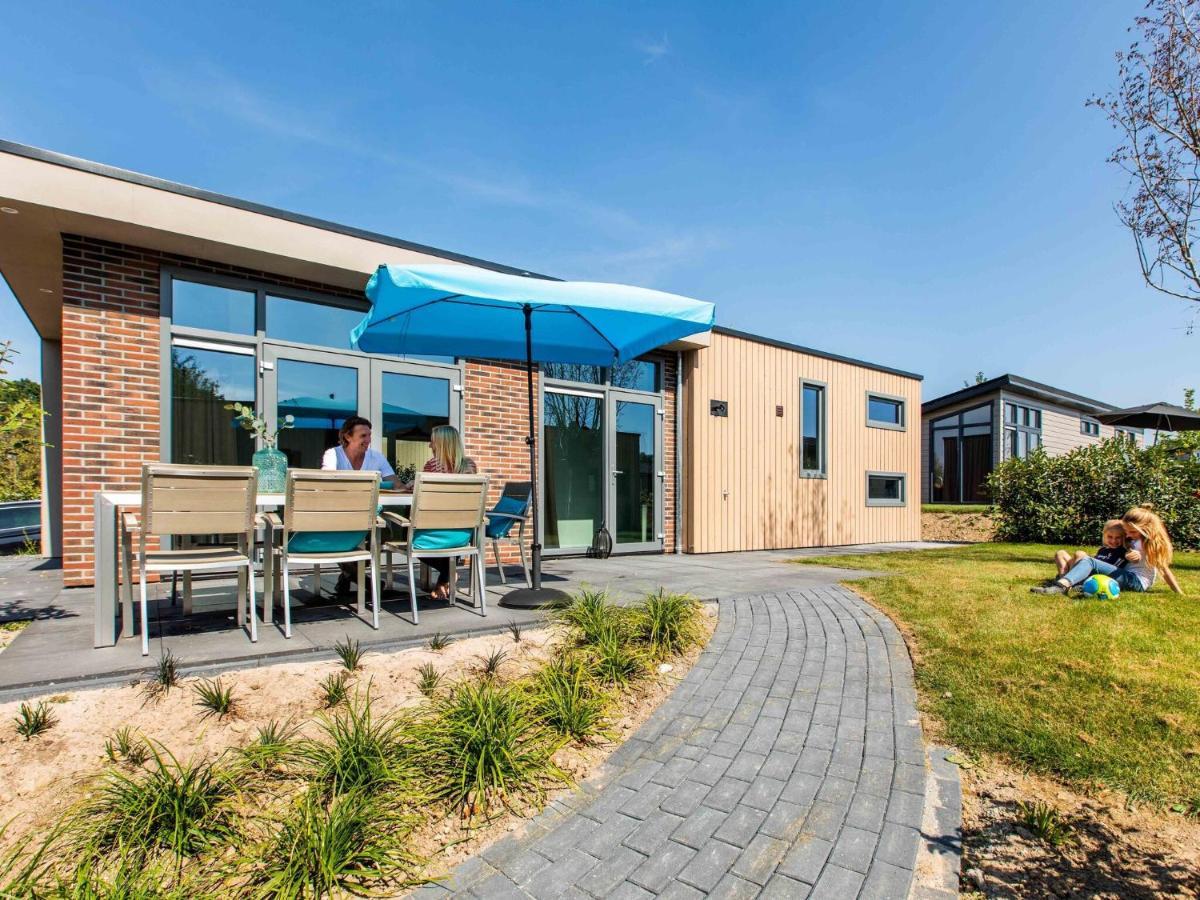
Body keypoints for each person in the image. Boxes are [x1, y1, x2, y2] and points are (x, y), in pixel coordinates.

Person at [1033, 505, 1183, 595]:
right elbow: (1125, 545)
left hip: (1136, 582)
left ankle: (1061, 586)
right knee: (1084, 560)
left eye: (1131, 532)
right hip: (1126, 576)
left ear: (1146, 529)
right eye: (1127, 531)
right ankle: (1073, 584)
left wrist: (1178, 592)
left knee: (1089, 561)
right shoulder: (1134, 540)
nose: (1128, 535)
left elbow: (1164, 570)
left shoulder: (1149, 544)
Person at [321, 416, 395, 597]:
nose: (368, 440)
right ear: (347, 436)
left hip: (369, 515)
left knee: (385, 531)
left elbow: (394, 483)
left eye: (369, 435)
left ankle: (348, 574)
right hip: (339, 515)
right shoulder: (333, 455)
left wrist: (403, 486)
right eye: (363, 436)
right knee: (339, 538)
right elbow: (326, 482)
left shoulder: (376, 457)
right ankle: (368, 582)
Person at [404, 424, 477, 601]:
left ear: (443, 444)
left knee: (408, 537)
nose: (430, 446)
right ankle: (446, 576)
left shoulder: (431, 466)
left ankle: (448, 574)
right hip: (462, 533)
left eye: (432, 442)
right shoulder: (469, 467)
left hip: (435, 532)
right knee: (451, 538)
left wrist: (414, 487)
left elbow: (423, 498)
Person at [1051, 519, 1128, 579]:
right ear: (1104, 536)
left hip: (1096, 575)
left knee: (1080, 553)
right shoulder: (1102, 550)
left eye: (1118, 537)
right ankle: (1062, 579)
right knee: (1060, 553)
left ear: (1124, 537)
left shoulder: (1122, 551)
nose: (1113, 541)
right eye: (1110, 537)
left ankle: (1073, 581)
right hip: (1086, 570)